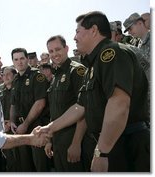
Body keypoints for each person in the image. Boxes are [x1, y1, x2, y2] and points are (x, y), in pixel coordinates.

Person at [37, 11, 150, 172]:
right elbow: (80, 106)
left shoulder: (111, 54)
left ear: (94, 30)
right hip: (111, 143)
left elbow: (119, 104)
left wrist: (101, 152)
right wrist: (49, 128)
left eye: (77, 31)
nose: (75, 37)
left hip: (125, 144)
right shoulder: (93, 64)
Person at [45, 35, 86, 172]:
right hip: (58, 140)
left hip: (73, 137)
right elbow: (54, 111)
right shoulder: (55, 75)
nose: (54, 54)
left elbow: (84, 108)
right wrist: (49, 139)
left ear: (66, 48)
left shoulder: (77, 71)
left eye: (58, 49)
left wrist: (76, 143)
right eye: (51, 51)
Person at [10, 47, 51, 172]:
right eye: (16, 59)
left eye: (22, 58)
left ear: (27, 59)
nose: (19, 62)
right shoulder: (15, 80)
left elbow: (40, 103)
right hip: (21, 128)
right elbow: (13, 104)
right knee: (25, 166)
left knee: (40, 166)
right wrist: (12, 121)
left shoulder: (37, 76)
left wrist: (25, 124)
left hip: (37, 126)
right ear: (13, 62)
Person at [0, 66, 18, 171]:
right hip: (4, 129)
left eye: (8, 74)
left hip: (16, 128)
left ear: (15, 76)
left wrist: (11, 122)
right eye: (3, 75)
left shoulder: (18, 89)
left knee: (18, 160)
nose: (5, 77)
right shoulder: (1, 92)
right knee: (8, 159)